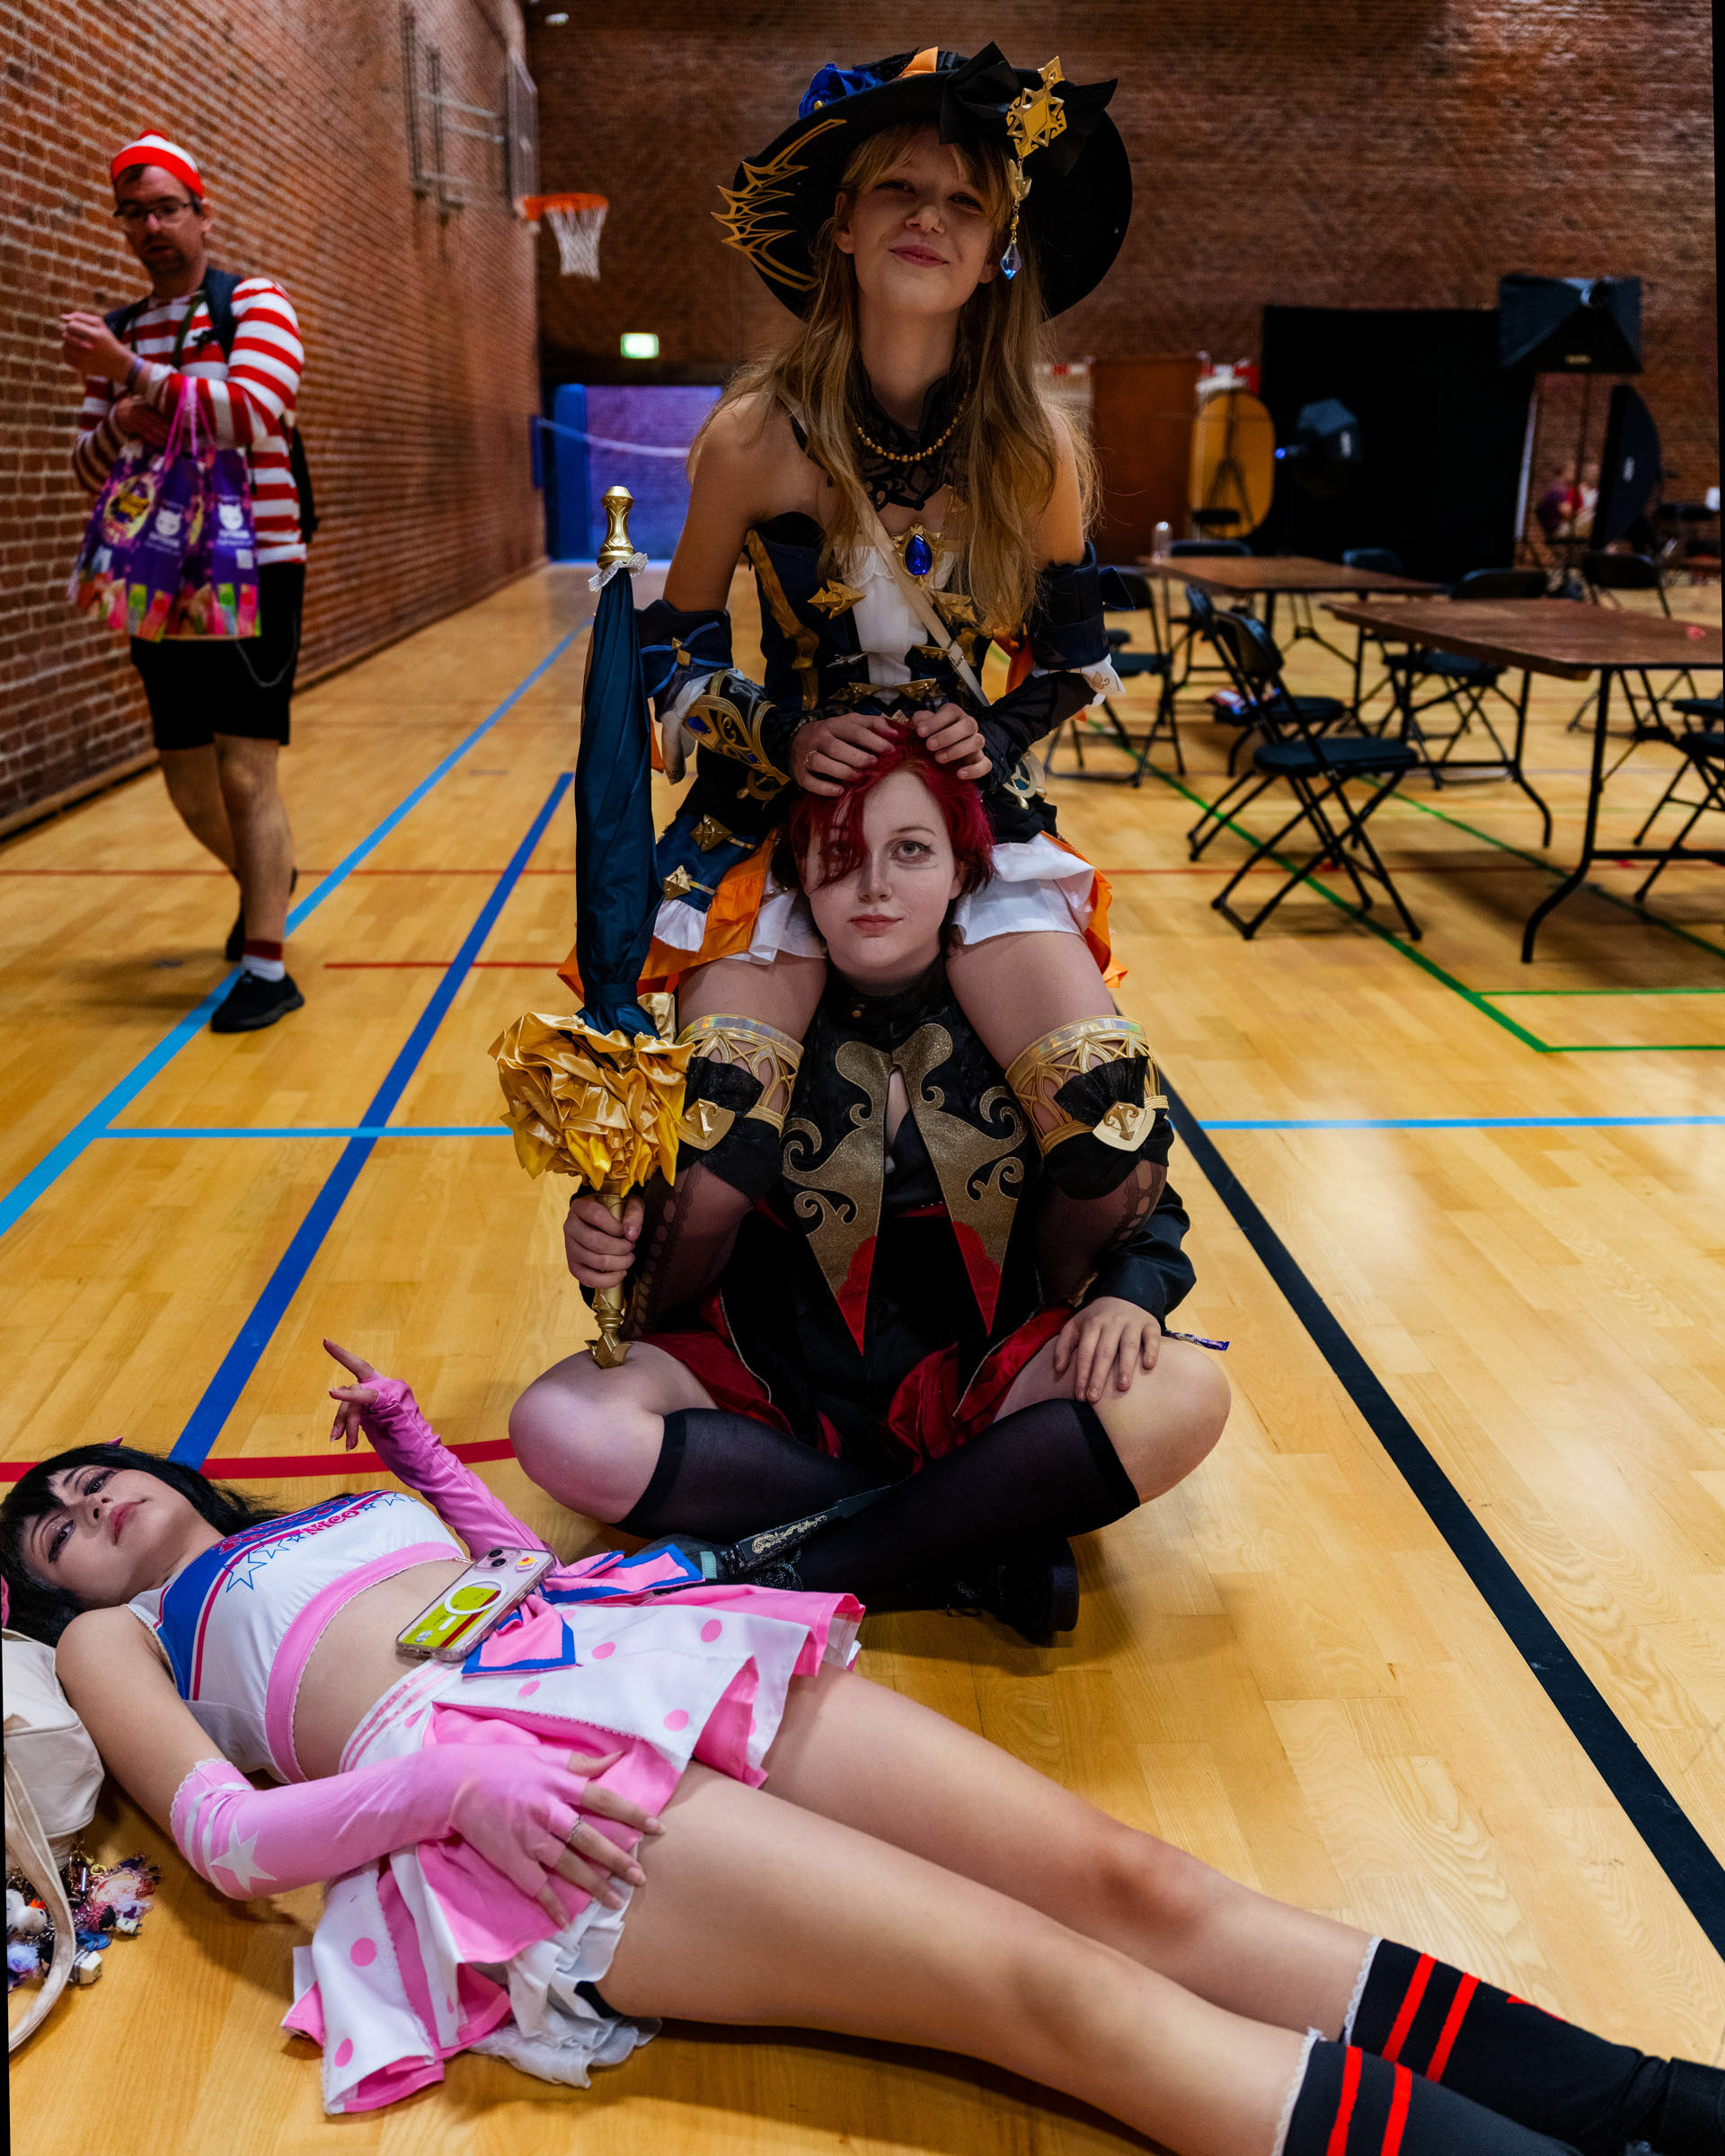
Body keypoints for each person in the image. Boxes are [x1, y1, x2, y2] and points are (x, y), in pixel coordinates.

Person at [3, 1414, 1718, 2152]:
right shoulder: (121, 1642)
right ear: (57, 1599)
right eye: (56, 1531)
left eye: (91, 1478)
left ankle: (1646, 2105)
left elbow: (509, 1579)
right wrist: (450, 1798)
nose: (88, 1506)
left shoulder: (302, 1521)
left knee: (1147, 1887)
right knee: (1052, 1992)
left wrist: (424, 1466)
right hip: (507, 1799)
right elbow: (230, 1840)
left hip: (638, 1655)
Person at [562, 47, 1162, 1346]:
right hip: (774, 835)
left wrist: (996, 728)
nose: (926, 219)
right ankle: (687, 1384)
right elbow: (666, 662)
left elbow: (1078, 658)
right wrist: (784, 729)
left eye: (960, 201)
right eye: (896, 190)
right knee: (712, 1151)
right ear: (841, 223)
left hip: (973, 830)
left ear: (999, 243)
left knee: (1111, 1131)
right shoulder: (750, 434)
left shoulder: (1036, 446)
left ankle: (1027, 1371)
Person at [520, 731, 1222, 1640]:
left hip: (980, 1381)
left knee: (1187, 1395)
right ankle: (973, 1541)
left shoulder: (1028, 1009)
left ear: (967, 867)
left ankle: (802, 1573)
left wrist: (1132, 1295)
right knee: (558, 1425)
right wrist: (600, 1246)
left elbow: (1141, 1199)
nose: (876, 885)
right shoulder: (725, 1014)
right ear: (798, 873)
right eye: (840, 857)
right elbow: (641, 1262)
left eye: (912, 851)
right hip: (769, 1387)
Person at [62, 132, 308, 1033]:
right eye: (135, 212)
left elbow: (250, 411)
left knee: (247, 772)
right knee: (182, 776)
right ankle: (267, 881)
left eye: (168, 207)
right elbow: (89, 466)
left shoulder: (254, 301)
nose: (153, 225)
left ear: (202, 212)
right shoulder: (123, 326)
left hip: (255, 567)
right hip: (152, 572)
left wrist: (134, 384)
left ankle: (268, 965)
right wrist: (124, 411)